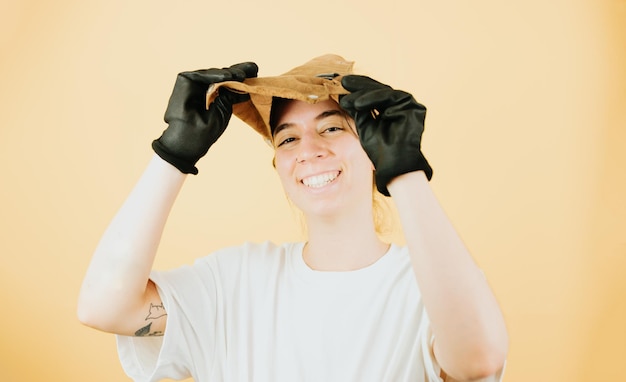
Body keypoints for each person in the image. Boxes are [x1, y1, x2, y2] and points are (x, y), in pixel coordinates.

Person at [77, 54, 508, 382]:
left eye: (332, 127)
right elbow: (103, 304)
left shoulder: (431, 286)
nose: (308, 150)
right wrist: (173, 155)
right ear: (280, 168)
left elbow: (479, 360)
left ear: (375, 149)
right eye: (287, 138)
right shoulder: (236, 281)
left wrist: (406, 171)